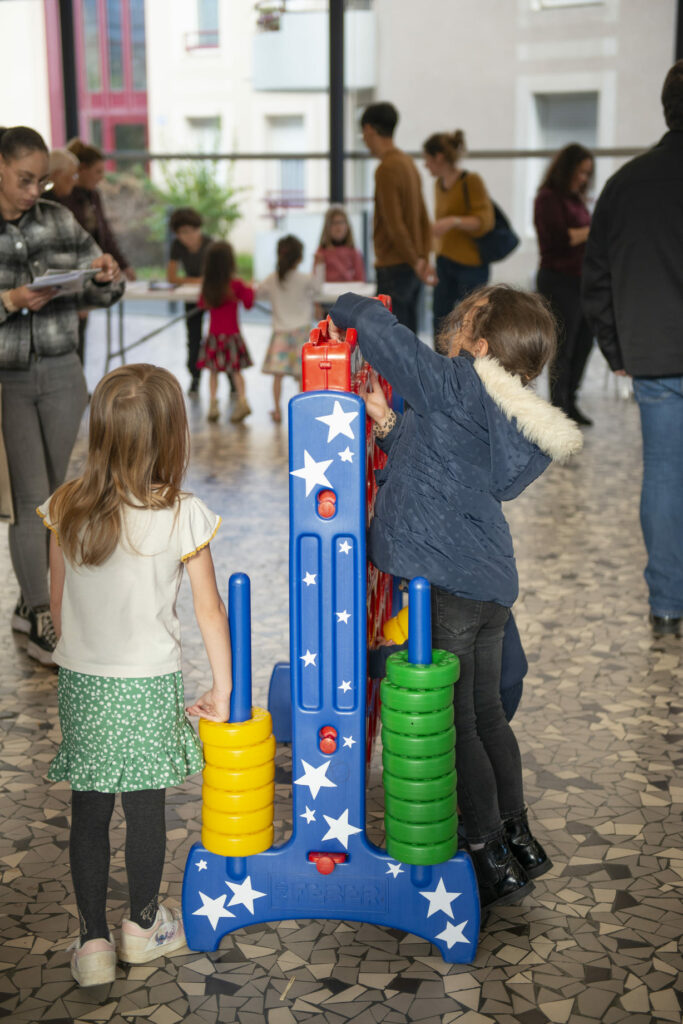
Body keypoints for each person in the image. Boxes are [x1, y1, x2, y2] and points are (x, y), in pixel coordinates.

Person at [328, 284, 583, 910]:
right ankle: (518, 838)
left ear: (481, 343)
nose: (457, 320)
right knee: (488, 715)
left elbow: (388, 342)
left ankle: (485, 852)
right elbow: (438, 463)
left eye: (468, 316)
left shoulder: (456, 381)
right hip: (488, 585)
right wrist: (387, 425)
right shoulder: (506, 406)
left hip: (447, 582)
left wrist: (351, 304)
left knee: (460, 723)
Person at [37, 363, 231, 987]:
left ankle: (92, 944)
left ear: (100, 433)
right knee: (147, 810)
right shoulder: (183, 515)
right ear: (172, 437)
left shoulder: (65, 505)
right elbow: (208, 609)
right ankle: (144, 927)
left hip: (84, 682)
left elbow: (57, 602)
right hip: (147, 685)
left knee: (89, 812)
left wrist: (88, 653)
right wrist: (222, 690)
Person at [0, 125, 124, 665]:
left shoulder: (58, 220)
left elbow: (108, 287)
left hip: (61, 371)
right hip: (8, 377)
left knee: (61, 496)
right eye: (24, 180)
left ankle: (52, 602)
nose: (34, 192)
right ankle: (37, 611)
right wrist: (10, 299)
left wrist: (104, 275)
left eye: (41, 181)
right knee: (31, 497)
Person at [582, 60, 683, 639]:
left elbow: (595, 276)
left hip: (654, 353)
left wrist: (616, 348)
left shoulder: (626, 183)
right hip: (653, 351)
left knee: (665, 476)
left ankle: (668, 606)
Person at [56, 139, 135, 363]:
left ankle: (78, 383)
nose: (101, 177)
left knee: (81, 331)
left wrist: (123, 262)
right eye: (97, 171)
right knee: (72, 332)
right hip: (72, 274)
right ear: (80, 170)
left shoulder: (93, 196)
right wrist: (77, 296)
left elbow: (105, 233)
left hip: (90, 272)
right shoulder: (62, 198)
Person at [534, 143, 595, 425]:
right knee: (564, 345)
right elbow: (560, 239)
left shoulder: (576, 200)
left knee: (583, 343)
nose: (583, 178)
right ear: (566, 169)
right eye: (580, 172)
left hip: (583, 280)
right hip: (558, 280)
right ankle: (559, 405)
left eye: (587, 174)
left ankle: (571, 400)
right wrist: (593, 229)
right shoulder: (548, 198)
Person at [360, 102, 433, 333]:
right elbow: (423, 216)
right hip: (412, 267)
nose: (363, 138)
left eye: (363, 133)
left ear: (370, 130)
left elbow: (394, 225)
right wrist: (422, 259)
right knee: (409, 341)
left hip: (394, 266)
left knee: (392, 346)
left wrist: (415, 260)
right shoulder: (408, 163)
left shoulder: (386, 169)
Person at [423, 130, 495, 339]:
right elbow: (439, 231)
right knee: (440, 320)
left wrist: (453, 221)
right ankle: (442, 368)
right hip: (445, 263)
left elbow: (485, 221)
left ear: (439, 157)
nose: (425, 165)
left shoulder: (470, 181)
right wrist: (431, 259)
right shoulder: (438, 185)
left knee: (473, 323)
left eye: (427, 159)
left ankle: (470, 368)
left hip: (471, 266)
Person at [257, 234, 316, 423]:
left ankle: (277, 410)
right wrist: (320, 265)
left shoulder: (273, 279)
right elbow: (319, 287)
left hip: (281, 333)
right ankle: (303, 410)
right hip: (301, 333)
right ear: (299, 258)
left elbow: (257, 292)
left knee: (278, 377)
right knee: (301, 376)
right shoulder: (305, 279)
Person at [197, 240, 254, 423]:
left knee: (213, 372)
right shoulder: (236, 284)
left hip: (214, 336)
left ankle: (213, 404)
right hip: (232, 336)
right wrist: (250, 287)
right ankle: (243, 402)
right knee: (236, 371)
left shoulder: (208, 285)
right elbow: (248, 303)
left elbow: (202, 304)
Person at [166, 207, 212, 394]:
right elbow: (171, 276)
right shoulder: (177, 245)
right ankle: (195, 377)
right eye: (182, 233)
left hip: (212, 294)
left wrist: (198, 280)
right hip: (190, 294)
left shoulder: (210, 243)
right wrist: (196, 280)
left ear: (198, 229)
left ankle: (232, 382)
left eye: (191, 231)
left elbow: (214, 275)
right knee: (193, 337)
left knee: (221, 336)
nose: (188, 236)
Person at [314, 206, 365, 283]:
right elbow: (316, 282)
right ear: (327, 227)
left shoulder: (354, 252)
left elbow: (360, 281)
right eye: (334, 223)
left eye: (342, 222)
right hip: (328, 293)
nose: (339, 227)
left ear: (347, 225)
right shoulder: (321, 252)